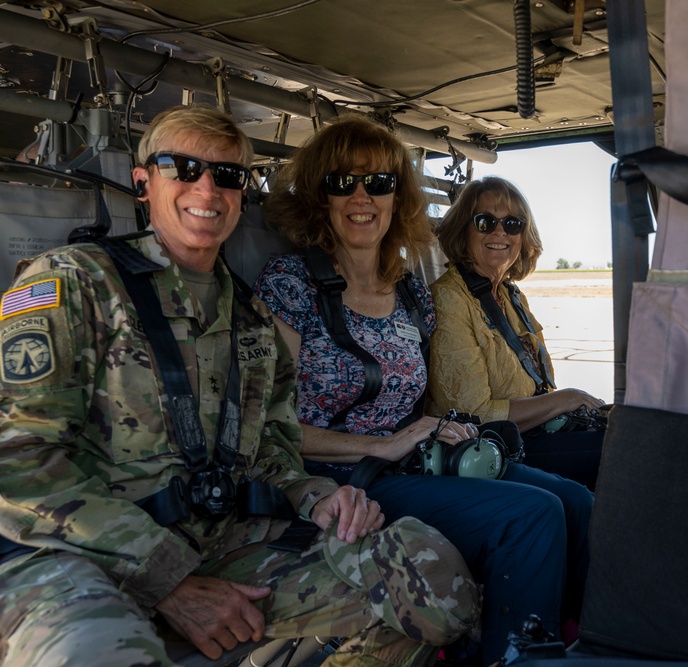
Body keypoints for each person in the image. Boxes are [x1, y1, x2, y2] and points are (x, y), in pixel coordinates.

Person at [0, 104, 479, 667]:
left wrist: (319, 498)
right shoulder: (73, 283)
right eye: (183, 167)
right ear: (143, 183)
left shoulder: (252, 317)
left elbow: (272, 453)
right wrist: (168, 581)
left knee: (432, 590)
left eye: (227, 174)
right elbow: (18, 461)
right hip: (74, 551)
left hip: (219, 540)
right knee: (102, 653)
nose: (207, 187)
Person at [253, 114, 592, 666]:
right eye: (344, 183)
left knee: (572, 501)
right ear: (320, 197)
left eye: (379, 183)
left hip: (417, 459)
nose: (362, 197)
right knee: (530, 515)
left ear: (398, 198)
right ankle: (513, 656)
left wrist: (442, 428)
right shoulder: (291, 284)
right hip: (347, 475)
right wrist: (382, 444)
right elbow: (273, 429)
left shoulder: (410, 289)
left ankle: (570, 639)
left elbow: (441, 388)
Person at [429, 177, 605, 490]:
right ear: (463, 230)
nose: (500, 232)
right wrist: (569, 398)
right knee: (615, 456)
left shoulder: (511, 296)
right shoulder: (449, 300)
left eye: (512, 223)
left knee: (630, 435)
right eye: (485, 222)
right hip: (495, 450)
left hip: (533, 435)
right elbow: (475, 415)